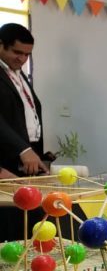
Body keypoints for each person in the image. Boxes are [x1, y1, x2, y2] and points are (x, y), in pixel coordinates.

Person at [0, 23, 48, 176]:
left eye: (27, 54)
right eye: (17, 52)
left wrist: (35, 153)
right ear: (1, 45)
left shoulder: (18, 74)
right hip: (5, 161)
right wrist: (23, 148)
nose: (22, 59)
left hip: (25, 159)